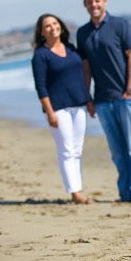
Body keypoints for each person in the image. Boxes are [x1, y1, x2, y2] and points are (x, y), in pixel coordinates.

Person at [76, 0, 131, 204]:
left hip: (126, 98)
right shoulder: (82, 33)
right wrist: (87, 97)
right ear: (85, 4)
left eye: (97, 0)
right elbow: (86, 67)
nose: (94, 4)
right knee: (118, 152)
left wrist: (130, 89)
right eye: (89, 1)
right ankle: (126, 194)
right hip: (101, 101)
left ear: (105, 1)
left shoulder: (120, 24)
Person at [31, 13, 94, 204]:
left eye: (55, 23)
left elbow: (82, 76)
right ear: (42, 32)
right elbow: (40, 86)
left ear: (61, 26)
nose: (52, 27)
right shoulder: (40, 55)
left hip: (79, 104)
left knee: (77, 149)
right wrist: (49, 112)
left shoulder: (71, 49)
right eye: (47, 26)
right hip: (58, 109)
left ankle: (77, 189)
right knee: (66, 150)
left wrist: (88, 100)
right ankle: (75, 193)